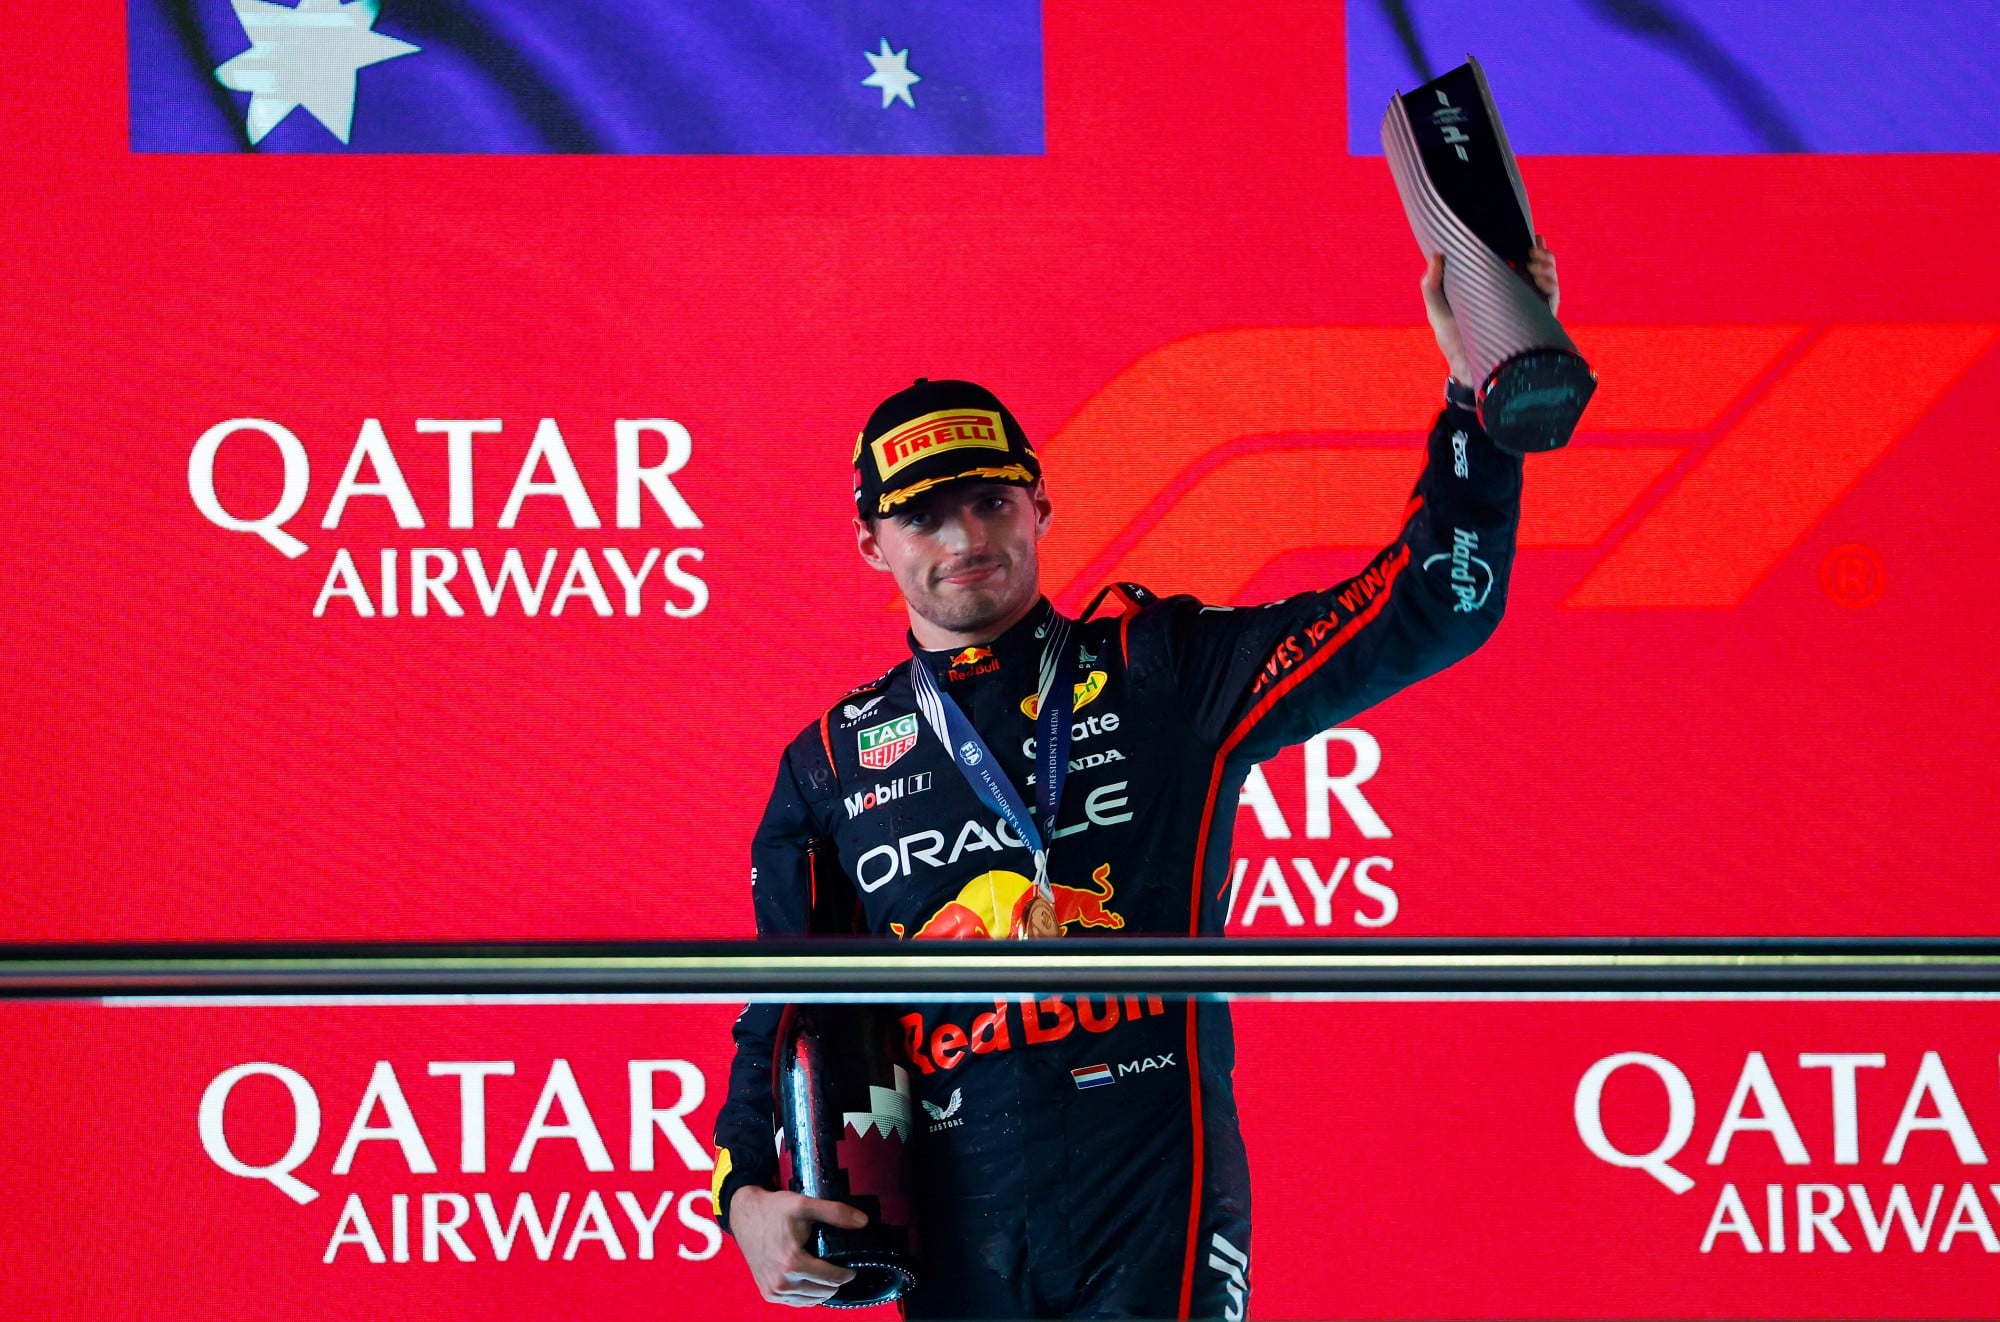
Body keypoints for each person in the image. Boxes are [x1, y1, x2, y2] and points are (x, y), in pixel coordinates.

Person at [712, 245, 1560, 1318]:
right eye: (925, 516)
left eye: (988, 500)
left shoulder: (1162, 666)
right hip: (955, 1216)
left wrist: (1476, 403)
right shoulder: (831, 759)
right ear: (870, 546)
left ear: (1038, 507)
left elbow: (1433, 605)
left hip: (1151, 1183)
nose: (965, 537)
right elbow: (777, 1007)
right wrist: (741, 1187)